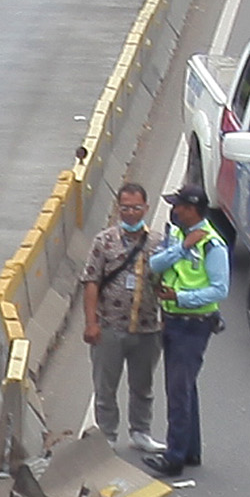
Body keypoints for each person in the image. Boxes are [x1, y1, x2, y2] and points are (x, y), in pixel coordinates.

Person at [80, 179, 166, 451]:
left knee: (143, 386)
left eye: (136, 208)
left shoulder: (158, 242)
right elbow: (91, 282)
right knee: (105, 387)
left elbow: (167, 281)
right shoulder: (104, 241)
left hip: (148, 328)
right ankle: (107, 435)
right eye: (125, 208)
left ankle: (141, 431)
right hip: (110, 326)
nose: (130, 213)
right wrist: (91, 323)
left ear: (146, 208)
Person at [148, 187, 227, 475]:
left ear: (192, 210)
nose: (175, 210)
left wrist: (179, 298)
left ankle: (174, 458)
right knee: (185, 386)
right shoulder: (177, 235)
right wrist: (181, 248)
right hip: (172, 320)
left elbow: (219, 290)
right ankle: (190, 450)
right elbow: (154, 263)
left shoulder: (212, 246)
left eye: (179, 206)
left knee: (178, 391)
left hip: (193, 325)